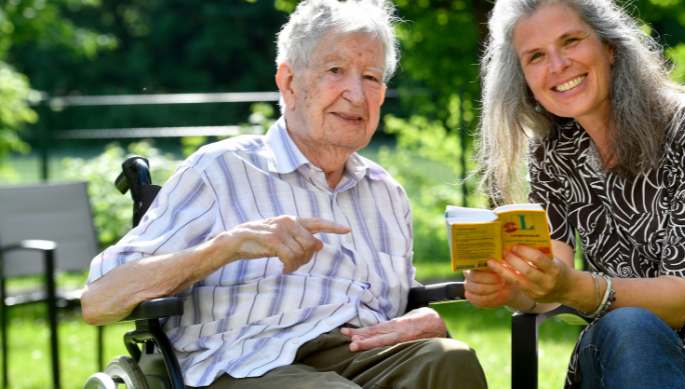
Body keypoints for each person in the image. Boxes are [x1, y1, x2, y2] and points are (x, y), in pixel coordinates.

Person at [81, 1, 487, 388]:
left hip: (361, 353)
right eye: (335, 70)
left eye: (371, 77)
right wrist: (226, 247)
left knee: (450, 358)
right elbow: (99, 300)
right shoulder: (222, 169)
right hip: (246, 364)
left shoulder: (386, 193)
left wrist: (424, 319)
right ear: (290, 83)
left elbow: (398, 303)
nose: (356, 94)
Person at [464, 0, 685, 388]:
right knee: (630, 329)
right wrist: (513, 288)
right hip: (619, 347)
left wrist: (570, 286)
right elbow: (550, 284)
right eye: (536, 56)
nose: (558, 65)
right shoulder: (552, 149)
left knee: (633, 329)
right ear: (523, 78)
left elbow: (680, 302)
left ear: (609, 47)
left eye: (571, 41)